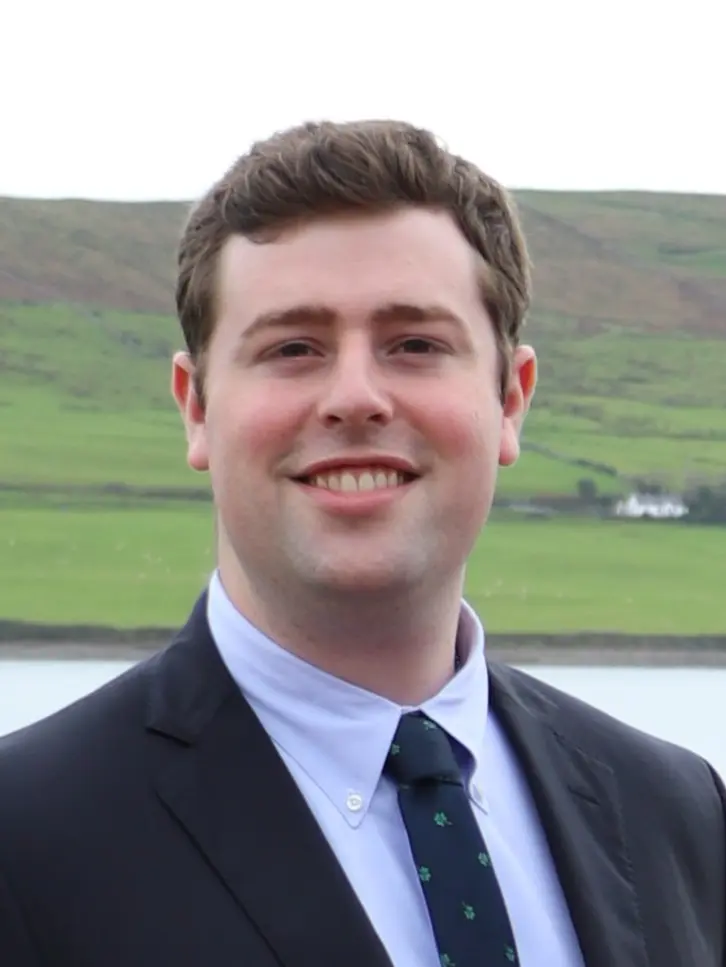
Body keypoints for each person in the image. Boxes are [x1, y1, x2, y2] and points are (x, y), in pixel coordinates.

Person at [0, 120, 723, 967]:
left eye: (415, 344)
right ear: (196, 406)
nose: (355, 396)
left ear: (510, 400)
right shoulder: (26, 834)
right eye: (293, 347)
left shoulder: (678, 812)